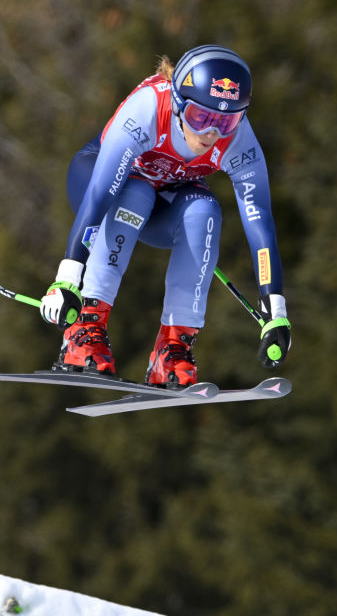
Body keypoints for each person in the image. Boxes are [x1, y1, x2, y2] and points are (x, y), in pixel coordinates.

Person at [39, 44, 291, 386]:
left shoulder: (239, 141)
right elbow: (100, 195)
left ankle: (172, 347)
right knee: (135, 193)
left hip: (161, 206)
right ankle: (86, 325)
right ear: (178, 104)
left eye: (226, 121)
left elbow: (259, 220)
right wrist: (66, 278)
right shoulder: (148, 108)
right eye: (200, 118)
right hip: (101, 185)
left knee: (206, 212)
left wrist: (275, 312)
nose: (211, 134)